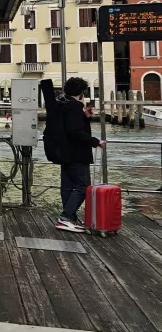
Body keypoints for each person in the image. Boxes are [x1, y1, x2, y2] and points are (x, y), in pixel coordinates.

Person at [53, 77, 106, 232]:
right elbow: (75, 132)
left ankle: (70, 217)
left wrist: (85, 118)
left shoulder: (62, 105)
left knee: (68, 186)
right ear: (82, 92)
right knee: (82, 187)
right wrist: (96, 142)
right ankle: (66, 217)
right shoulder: (75, 106)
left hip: (63, 152)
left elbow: (69, 126)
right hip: (76, 153)